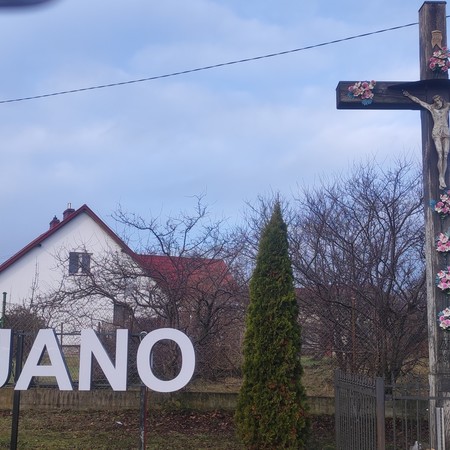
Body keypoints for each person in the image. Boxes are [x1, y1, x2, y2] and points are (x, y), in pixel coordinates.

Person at [403, 90, 450, 189]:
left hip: (446, 132)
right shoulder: (432, 108)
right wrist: (409, 95)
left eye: (438, 100)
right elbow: (419, 101)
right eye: (435, 101)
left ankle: (442, 175)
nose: (437, 102)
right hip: (436, 132)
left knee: (445, 154)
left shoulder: (447, 106)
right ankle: (441, 178)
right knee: (440, 154)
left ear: (441, 100)